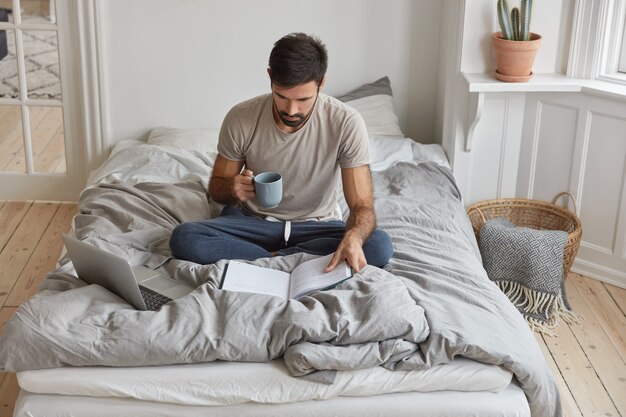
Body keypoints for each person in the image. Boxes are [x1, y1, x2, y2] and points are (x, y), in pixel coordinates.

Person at [169, 32, 393, 273]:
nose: (291, 110)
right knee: (185, 238)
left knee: (378, 245)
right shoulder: (241, 118)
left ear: (322, 83)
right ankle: (291, 260)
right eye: (281, 97)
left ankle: (267, 259)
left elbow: (362, 206)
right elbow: (217, 189)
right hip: (252, 224)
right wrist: (233, 189)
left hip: (316, 226)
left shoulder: (346, 123)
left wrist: (355, 238)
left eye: (304, 99)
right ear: (270, 77)